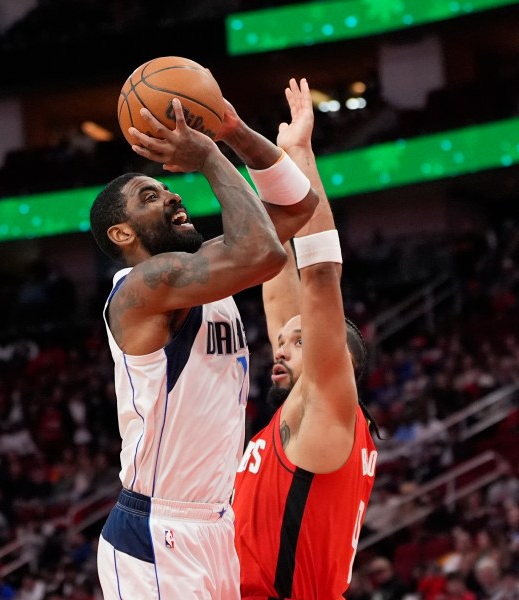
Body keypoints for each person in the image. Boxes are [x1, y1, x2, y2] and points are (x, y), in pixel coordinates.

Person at [90, 96, 318, 599]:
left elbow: (299, 206)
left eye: (166, 185)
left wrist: (235, 129)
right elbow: (261, 251)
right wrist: (211, 156)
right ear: (122, 232)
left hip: (216, 525)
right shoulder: (142, 289)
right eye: (150, 196)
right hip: (155, 530)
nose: (171, 194)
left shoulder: (209, 268)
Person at [229, 79, 378, 599]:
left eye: (298, 340)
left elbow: (318, 276)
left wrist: (298, 159)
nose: (280, 345)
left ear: (334, 359)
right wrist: (269, 176)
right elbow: (277, 283)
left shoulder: (330, 410)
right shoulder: (303, 410)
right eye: (284, 340)